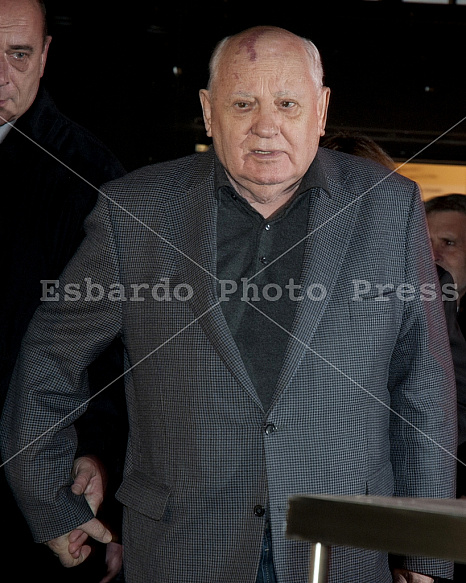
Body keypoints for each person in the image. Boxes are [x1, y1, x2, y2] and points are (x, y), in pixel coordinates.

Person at [0, 25, 457, 583]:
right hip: (182, 546)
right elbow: (51, 356)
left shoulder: (388, 205)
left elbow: (424, 384)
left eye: (287, 103)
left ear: (321, 109)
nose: (267, 126)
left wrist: (426, 548)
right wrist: (49, 501)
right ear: (209, 110)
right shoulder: (135, 208)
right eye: (244, 103)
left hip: (343, 546)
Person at [0, 0, 127, 581]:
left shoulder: (89, 177)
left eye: (18, 54)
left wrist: (97, 452)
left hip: (24, 497)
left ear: (45, 55)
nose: (0, 74)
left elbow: (114, 348)